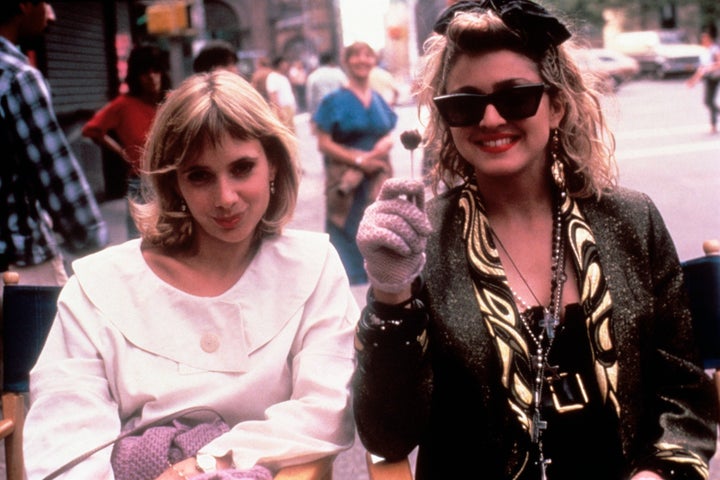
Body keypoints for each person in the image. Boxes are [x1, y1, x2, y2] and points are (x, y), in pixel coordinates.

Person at [352, 1, 718, 479]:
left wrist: (656, 474)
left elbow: (683, 397)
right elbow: (387, 436)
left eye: (516, 97)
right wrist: (390, 295)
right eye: (465, 104)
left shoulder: (631, 218)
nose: (489, 120)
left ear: (557, 104)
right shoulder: (423, 241)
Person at [24, 71, 358, 479]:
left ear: (273, 163)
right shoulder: (98, 287)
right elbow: (66, 439)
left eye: (241, 168)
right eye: (199, 175)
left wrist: (210, 462)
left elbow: (325, 411)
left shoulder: (313, 265)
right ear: (173, 183)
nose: (225, 198)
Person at [0, 0, 107, 287]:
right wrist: (95, 246)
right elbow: (57, 180)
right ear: (24, 5)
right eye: (46, 3)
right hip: (18, 265)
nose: (52, 15)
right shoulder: (15, 77)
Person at [312, 41, 397, 285]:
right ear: (346, 62)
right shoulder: (333, 100)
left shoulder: (378, 99)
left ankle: (378, 274)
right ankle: (347, 280)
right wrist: (361, 160)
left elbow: (388, 131)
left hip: (376, 177)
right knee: (345, 225)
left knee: (378, 223)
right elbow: (324, 143)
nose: (362, 60)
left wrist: (385, 145)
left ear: (374, 61)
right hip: (346, 178)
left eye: (368, 55)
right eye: (356, 55)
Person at [82, 44, 170, 238]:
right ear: (136, 77)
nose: (151, 78)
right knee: (140, 244)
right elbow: (92, 129)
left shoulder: (171, 102)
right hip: (141, 182)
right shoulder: (124, 105)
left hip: (172, 180)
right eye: (144, 73)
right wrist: (122, 152)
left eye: (156, 71)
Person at [687, 23, 720, 134]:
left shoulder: (715, 49)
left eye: (705, 38)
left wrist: (710, 67)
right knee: (708, 101)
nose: (703, 40)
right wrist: (693, 80)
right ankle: (713, 125)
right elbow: (701, 69)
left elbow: (719, 63)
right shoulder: (704, 52)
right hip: (708, 78)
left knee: (708, 101)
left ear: (709, 39)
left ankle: (713, 124)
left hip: (715, 77)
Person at [305, 51, 347, 117]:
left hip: (320, 113)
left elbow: (310, 98)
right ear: (331, 61)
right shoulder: (338, 73)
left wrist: (312, 115)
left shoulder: (313, 76)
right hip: (338, 112)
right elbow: (346, 91)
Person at [265, 55, 298, 132]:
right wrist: (279, 111)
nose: (286, 65)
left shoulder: (283, 77)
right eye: (284, 63)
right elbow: (273, 95)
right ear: (280, 64)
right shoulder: (273, 77)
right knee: (286, 133)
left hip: (288, 109)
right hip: (282, 110)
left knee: (292, 132)